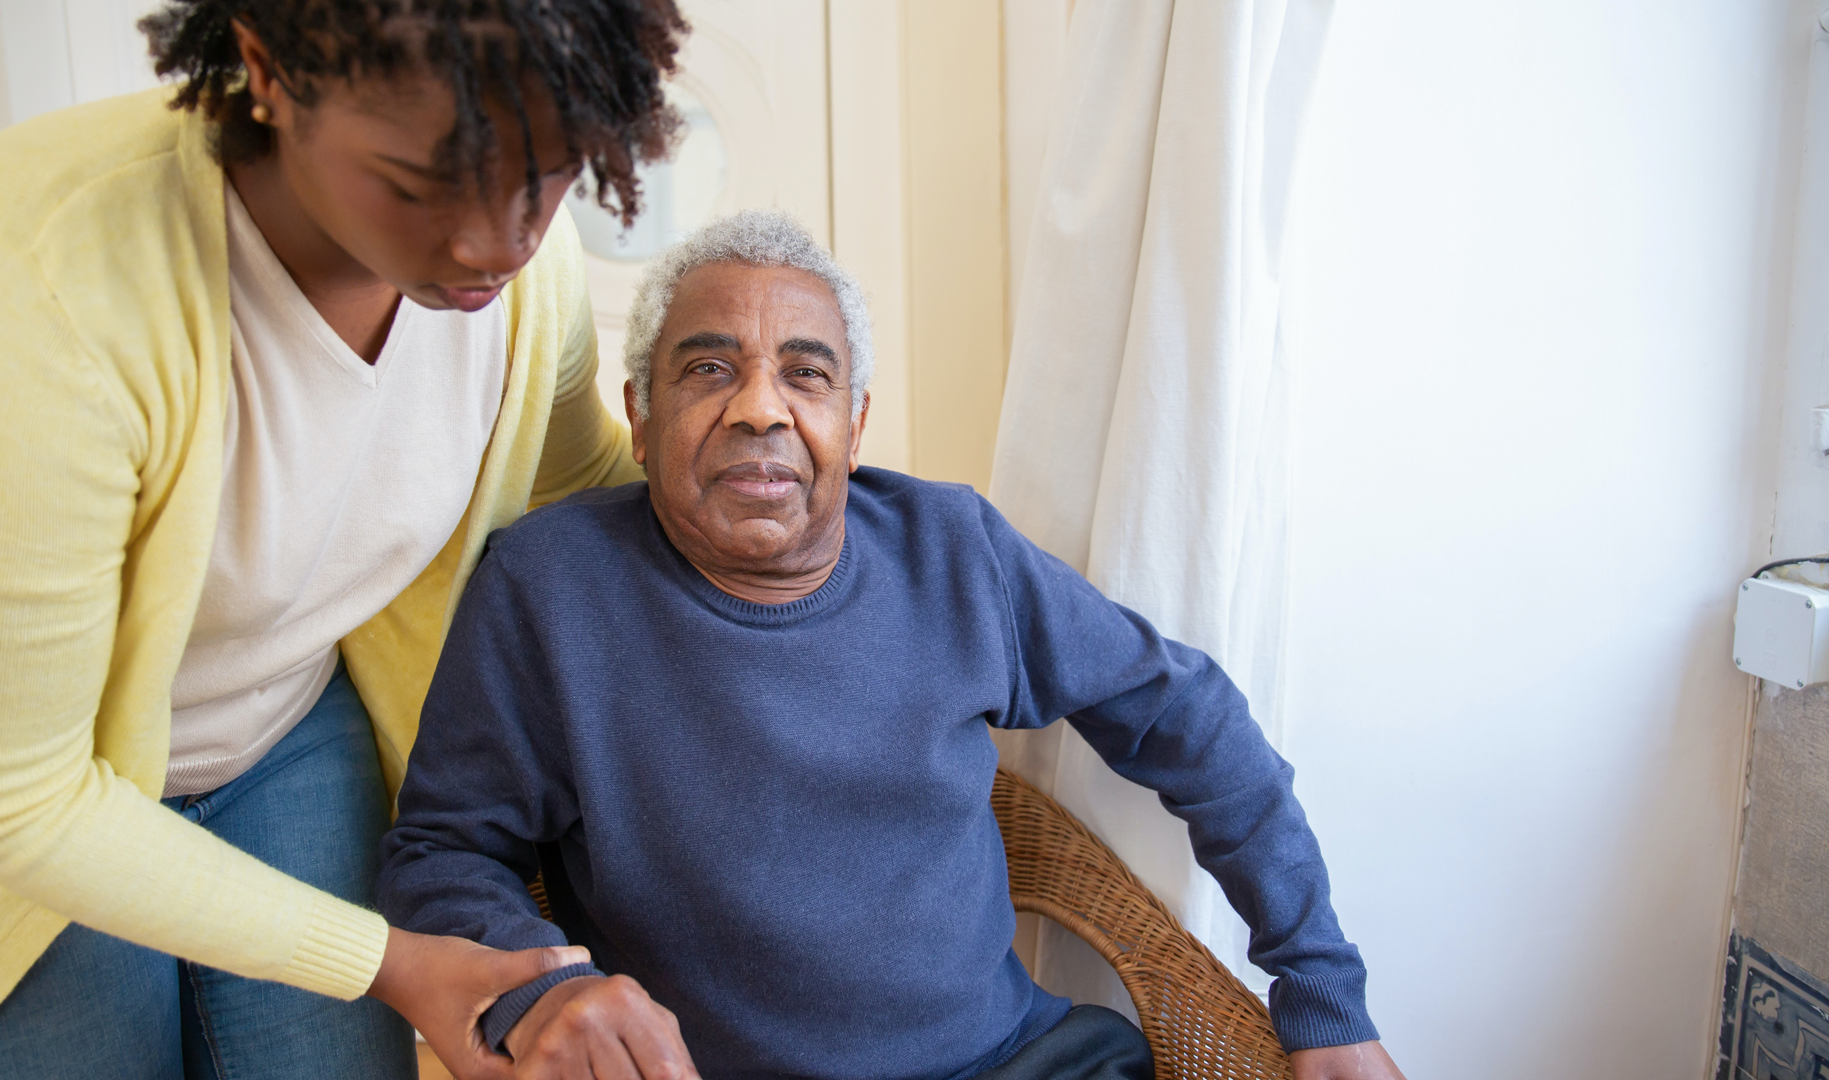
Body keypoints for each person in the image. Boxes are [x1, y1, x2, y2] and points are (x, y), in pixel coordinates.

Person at [378, 210, 1410, 1080]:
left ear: (855, 421)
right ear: (640, 418)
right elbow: (442, 852)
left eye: (806, 373)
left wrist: (1322, 988)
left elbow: (1187, 715)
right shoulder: (549, 588)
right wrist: (547, 989)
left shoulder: (954, 550)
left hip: (1011, 1062)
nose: (759, 410)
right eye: (707, 369)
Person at [0, 3, 691, 1078]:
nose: (494, 243)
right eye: (417, 184)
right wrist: (382, 960)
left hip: (286, 724)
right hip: (29, 798)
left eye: (545, 177)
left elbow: (578, 485)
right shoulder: (37, 277)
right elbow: (2, 793)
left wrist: (856, 533)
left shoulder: (524, 289)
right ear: (267, 66)